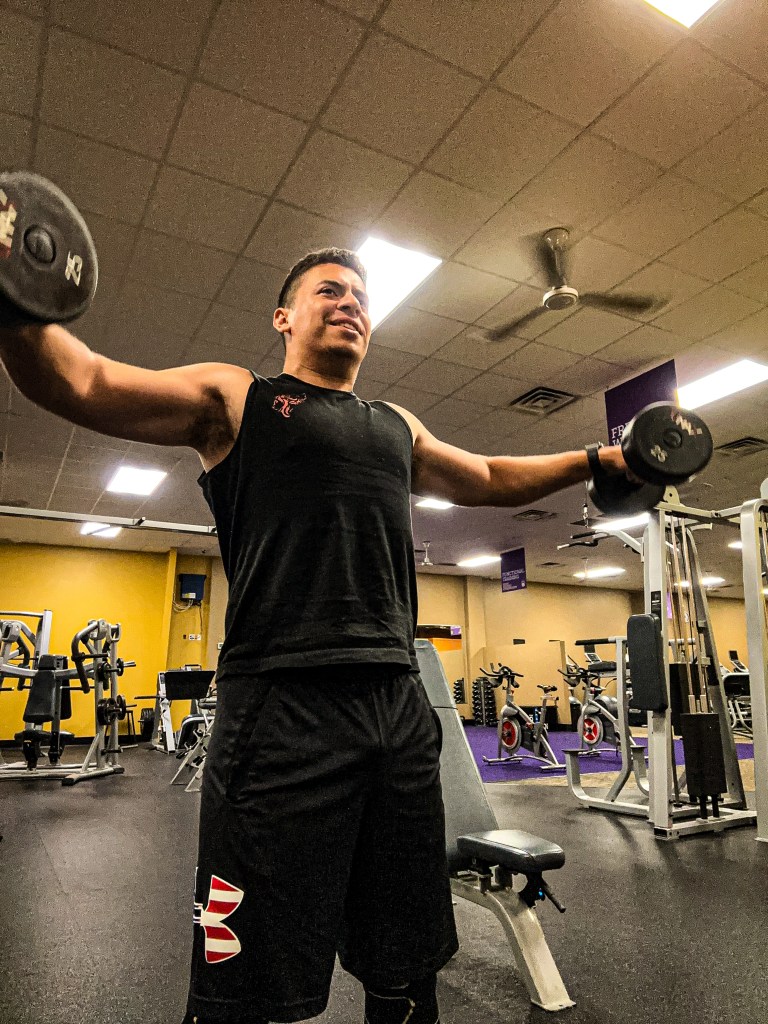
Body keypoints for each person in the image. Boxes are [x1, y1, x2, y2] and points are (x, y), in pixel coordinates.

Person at [0, 246, 629, 1023]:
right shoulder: (240, 399)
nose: (350, 303)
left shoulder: (396, 425)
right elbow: (83, 380)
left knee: (405, 961)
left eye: (361, 296)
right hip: (279, 707)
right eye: (329, 290)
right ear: (284, 317)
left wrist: (594, 460)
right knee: (246, 980)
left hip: (397, 709)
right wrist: (15, 291)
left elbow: (491, 476)